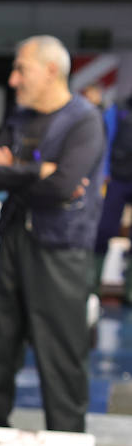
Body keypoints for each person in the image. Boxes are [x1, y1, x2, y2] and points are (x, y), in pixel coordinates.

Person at [0, 35, 105, 434]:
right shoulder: (19, 118)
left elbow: (62, 186)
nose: (13, 80)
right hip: (14, 240)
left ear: (51, 70)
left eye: (21, 69)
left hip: (60, 250)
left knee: (61, 355)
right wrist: (36, 171)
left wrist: (14, 172)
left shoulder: (84, 120)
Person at [96, 93, 132, 301]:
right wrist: (104, 173)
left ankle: (130, 290)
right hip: (115, 179)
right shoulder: (118, 108)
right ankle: (92, 284)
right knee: (105, 229)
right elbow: (106, 141)